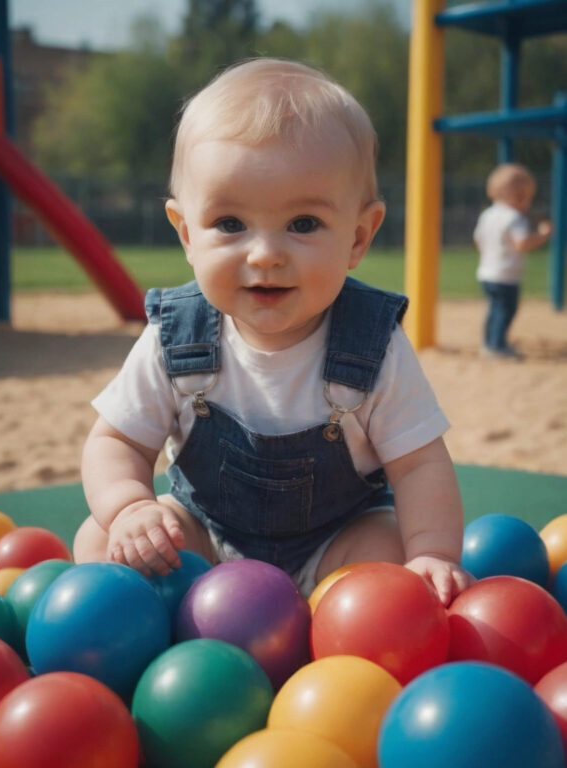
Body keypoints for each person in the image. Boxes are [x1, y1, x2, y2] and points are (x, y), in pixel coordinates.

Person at [74, 58, 473, 606]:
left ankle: (326, 620)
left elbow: (420, 464)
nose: (265, 255)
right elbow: (116, 440)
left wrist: (433, 551)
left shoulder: (373, 345)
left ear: (358, 237)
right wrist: (129, 507)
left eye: (303, 224)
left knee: (392, 549)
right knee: (100, 537)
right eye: (230, 224)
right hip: (204, 547)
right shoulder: (176, 336)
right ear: (186, 233)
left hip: (334, 550)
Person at [474, 163, 552, 359]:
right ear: (518, 195)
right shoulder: (514, 218)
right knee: (506, 310)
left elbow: (478, 239)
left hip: (487, 272)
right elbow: (522, 243)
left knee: (494, 309)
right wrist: (543, 235)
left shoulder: (487, 214)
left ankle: (489, 343)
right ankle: (497, 346)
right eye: (526, 197)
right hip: (506, 275)